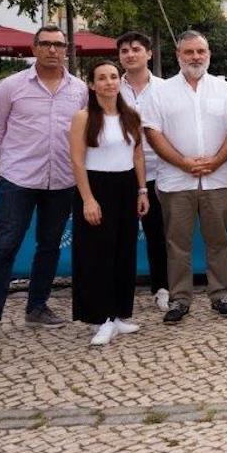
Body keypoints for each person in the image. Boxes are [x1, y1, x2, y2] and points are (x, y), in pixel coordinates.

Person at [0, 26, 86, 345]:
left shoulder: (79, 89)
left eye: (58, 45)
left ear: (66, 50)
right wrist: (12, 160)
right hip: (19, 179)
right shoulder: (11, 86)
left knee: (50, 245)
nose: (52, 50)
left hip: (62, 178)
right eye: (46, 44)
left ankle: (37, 307)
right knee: (6, 245)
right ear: (34, 48)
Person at [140, 30, 227, 324]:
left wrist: (217, 160)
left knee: (219, 241)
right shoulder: (160, 92)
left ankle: (220, 295)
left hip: (218, 179)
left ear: (208, 54)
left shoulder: (225, 90)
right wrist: (182, 162)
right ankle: (179, 299)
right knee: (176, 244)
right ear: (178, 55)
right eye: (189, 52)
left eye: (200, 51)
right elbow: (152, 132)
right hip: (175, 181)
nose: (195, 57)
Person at [69, 61, 148, 346]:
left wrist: (142, 190)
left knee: (123, 252)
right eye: (102, 78)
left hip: (126, 186)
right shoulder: (83, 117)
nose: (109, 82)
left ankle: (117, 314)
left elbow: (137, 155)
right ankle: (100, 317)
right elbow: (77, 160)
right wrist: (88, 199)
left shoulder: (132, 116)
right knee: (96, 255)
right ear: (92, 85)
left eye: (113, 77)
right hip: (96, 186)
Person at [115, 31, 169, 311]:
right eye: (124, 51)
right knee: (121, 237)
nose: (130, 54)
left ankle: (162, 287)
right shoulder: (112, 88)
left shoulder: (166, 89)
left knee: (157, 234)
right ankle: (118, 293)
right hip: (121, 171)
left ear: (149, 53)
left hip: (160, 172)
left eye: (136, 49)